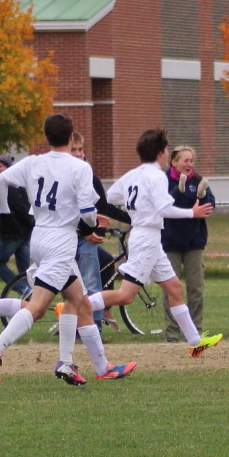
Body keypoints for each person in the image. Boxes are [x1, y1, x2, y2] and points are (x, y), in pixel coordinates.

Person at [0, 114, 134, 385]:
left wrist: (4, 213)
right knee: (37, 307)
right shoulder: (79, 167)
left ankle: (79, 364)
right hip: (61, 241)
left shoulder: (33, 162)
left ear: (47, 136)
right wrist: (91, 225)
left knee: (78, 299)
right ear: (71, 136)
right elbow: (87, 212)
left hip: (39, 237)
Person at [87, 129, 222, 357]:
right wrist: (192, 213)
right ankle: (75, 306)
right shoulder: (157, 176)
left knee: (175, 289)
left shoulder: (133, 174)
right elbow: (164, 209)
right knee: (126, 295)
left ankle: (195, 342)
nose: (167, 153)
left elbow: (111, 197)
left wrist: (136, 206)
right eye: (166, 149)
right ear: (160, 152)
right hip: (146, 238)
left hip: (149, 237)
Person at [70, 132, 131, 329]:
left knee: (105, 262)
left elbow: (103, 206)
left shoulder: (89, 175)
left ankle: (102, 311)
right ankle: (91, 324)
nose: (78, 153)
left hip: (88, 236)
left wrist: (132, 219)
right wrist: (86, 230)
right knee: (87, 283)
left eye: (80, 149)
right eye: (73, 150)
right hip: (74, 237)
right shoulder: (65, 176)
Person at [161, 145, 217, 343]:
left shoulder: (199, 181)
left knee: (195, 288)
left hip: (194, 242)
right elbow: (164, 205)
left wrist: (202, 198)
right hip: (170, 243)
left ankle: (195, 330)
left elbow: (210, 205)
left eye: (192, 161)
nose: (189, 164)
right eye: (185, 160)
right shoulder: (163, 180)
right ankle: (172, 333)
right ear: (174, 162)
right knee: (171, 289)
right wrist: (179, 191)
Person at [0, 155, 32, 295]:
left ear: (8, 168)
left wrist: (11, 228)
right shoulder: (19, 185)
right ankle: (32, 295)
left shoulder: (8, 186)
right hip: (24, 233)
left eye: (0, 166)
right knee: (24, 270)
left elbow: (19, 209)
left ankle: (24, 290)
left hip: (12, 234)